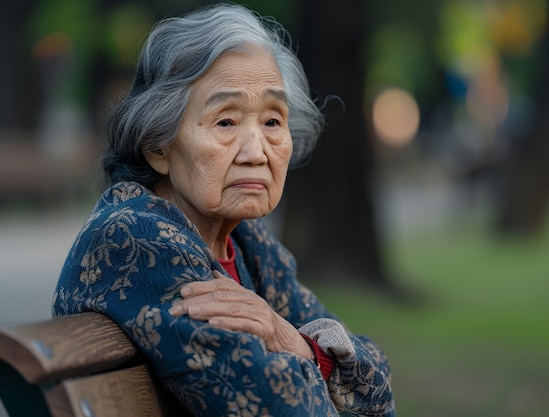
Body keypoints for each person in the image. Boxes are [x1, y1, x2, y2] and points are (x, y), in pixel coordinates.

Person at [52, 3, 395, 416]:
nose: (256, 153)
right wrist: (316, 357)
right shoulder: (136, 238)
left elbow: (377, 378)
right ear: (158, 146)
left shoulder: (248, 244)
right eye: (226, 122)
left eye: (272, 121)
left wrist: (290, 340)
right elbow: (281, 406)